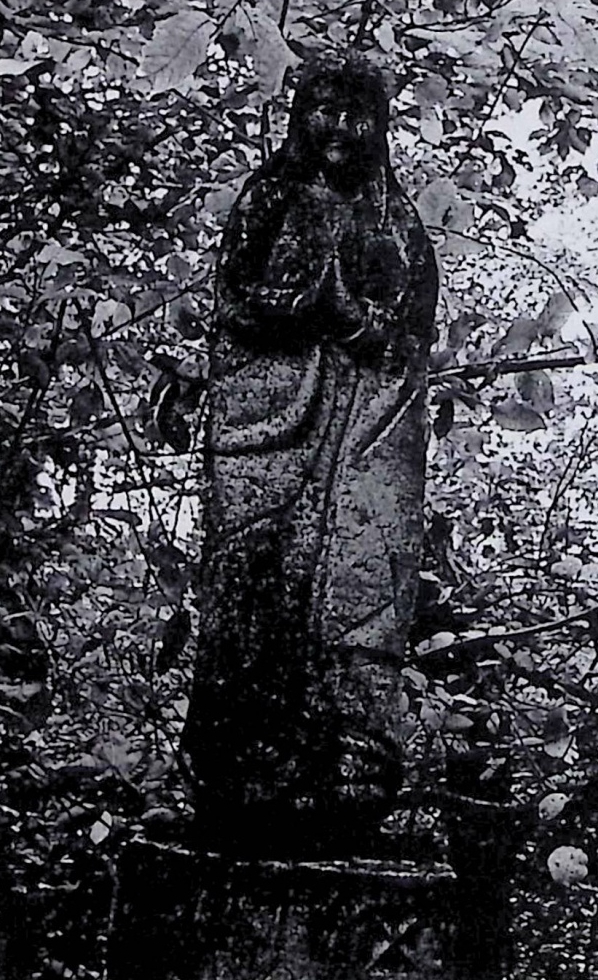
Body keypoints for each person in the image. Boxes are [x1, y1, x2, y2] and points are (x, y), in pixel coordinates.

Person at [182, 52, 438, 857]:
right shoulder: (269, 201)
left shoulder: (393, 221)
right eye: (325, 110)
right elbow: (230, 308)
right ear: (300, 116)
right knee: (250, 580)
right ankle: (237, 771)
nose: (341, 130)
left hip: (361, 433)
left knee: (357, 586)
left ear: (381, 129)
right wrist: (290, 311)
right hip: (268, 430)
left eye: (359, 116)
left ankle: (352, 772)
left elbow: (407, 338)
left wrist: (352, 320)